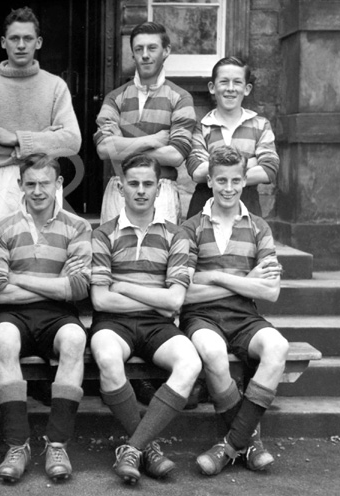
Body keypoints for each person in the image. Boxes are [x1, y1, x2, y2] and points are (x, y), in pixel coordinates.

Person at [89, 154, 201, 486]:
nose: (140, 191)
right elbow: (99, 298)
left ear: (159, 189)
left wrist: (121, 284)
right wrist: (151, 294)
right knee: (107, 357)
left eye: (148, 184)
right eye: (134, 184)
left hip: (158, 325)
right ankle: (148, 448)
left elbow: (174, 301)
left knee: (190, 363)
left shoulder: (176, 235)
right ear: (121, 187)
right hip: (112, 322)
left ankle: (133, 448)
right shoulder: (103, 234)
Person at [180, 145, 287, 476]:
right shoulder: (190, 228)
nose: (229, 188)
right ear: (209, 181)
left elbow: (270, 291)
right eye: (221, 180)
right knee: (211, 352)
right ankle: (251, 444)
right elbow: (184, 292)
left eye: (236, 180)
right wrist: (244, 279)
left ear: (245, 182)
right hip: (201, 316)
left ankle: (229, 446)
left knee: (277, 346)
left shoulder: (259, 228)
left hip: (245, 316)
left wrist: (213, 275)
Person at [0, 153, 91, 482]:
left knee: (75, 339)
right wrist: (55, 284)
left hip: (59, 316)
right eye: (30, 184)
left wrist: (20, 278)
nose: (37, 190)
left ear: (59, 184)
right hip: (13, 314)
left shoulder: (77, 227)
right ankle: (17, 444)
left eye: (44, 183)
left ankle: (57, 443)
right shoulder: (3, 228)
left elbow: (77, 288)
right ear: (20, 185)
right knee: (3, 339)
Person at [0, 6, 81, 225]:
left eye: (28, 38)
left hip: (42, 176)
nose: (21, 45)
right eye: (14, 38)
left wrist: (16, 139)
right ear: (3, 42)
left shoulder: (55, 86)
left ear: (39, 42)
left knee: (44, 244)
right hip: (0, 179)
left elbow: (72, 141)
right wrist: (36, 142)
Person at [94, 21, 195, 225]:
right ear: (132, 53)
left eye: (152, 48)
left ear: (166, 51)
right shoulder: (115, 98)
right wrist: (154, 140)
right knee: (116, 253)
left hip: (161, 188)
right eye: (139, 49)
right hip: (120, 186)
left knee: (159, 253)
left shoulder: (181, 98)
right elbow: (104, 149)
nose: (145, 55)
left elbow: (175, 155)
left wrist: (121, 144)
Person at [186, 56, 279, 218]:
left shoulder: (260, 125)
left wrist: (217, 171)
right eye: (224, 82)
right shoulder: (201, 127)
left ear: (247, 88)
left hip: (247, 203)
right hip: (205, 205)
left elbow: (268, 170)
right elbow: (197, 172)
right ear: (212, 87)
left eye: (237, 82)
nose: (230, 88)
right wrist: (250, 162)